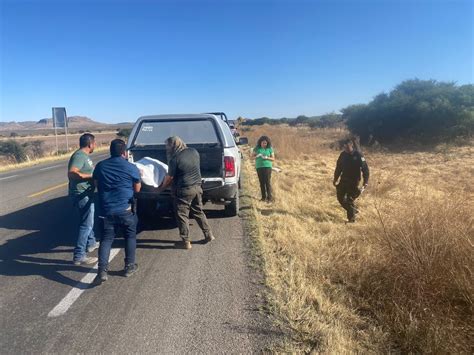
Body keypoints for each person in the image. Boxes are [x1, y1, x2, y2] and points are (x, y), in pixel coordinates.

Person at [92, 139, 141, 284]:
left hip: (107, 211)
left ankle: (102, 271)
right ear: (124, 152)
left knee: (106, 239)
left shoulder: (101, 166)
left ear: (110, 151)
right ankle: (129, 266)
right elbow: (137, 189)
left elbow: (96, 184)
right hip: (126, 210)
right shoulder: (130, 167)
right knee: (130, 237)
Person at [159, 136, 215, 250]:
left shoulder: (175, 159)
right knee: (198, 212)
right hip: (197, 188)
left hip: (184, 190)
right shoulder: (194, 151)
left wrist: (160, 188)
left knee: (182, 215)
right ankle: (209, 235)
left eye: (167, 146)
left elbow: (169, 177)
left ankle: (186, 242)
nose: (166, 148)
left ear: (173, 145)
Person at [68, 133, 98, 265]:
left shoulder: (85, 156)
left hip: (85, 193)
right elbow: (72, 173)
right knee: (86, 224)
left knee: (87, 220)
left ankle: (91, 243)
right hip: (81, 194)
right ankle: (79, 255)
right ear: (90, 144)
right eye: (94, 143)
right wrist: (90, 176)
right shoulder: (79, 156)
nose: (95, 145)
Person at [333, 138, 369, 223]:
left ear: (351, 145)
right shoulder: (342, 155)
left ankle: (351, 220)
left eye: (347, 147)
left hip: (354, 182)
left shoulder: (359, 155)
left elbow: (365, 169)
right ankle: (353, 210)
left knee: (349, 200)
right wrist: (335, 179)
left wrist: (365, 182)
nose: (346, 149)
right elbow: (338, 168)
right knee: (340, 198)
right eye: (344, 147)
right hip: (344, 180)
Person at [252, 135, 275, 202]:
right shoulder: (257, 148)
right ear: (260, 142)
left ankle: (269, 197)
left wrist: (267, 158)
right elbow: (251, 157)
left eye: (265, 143)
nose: (264, 144)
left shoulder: (270, 148)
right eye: (263, 143)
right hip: (259, 167)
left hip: (267, 166)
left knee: (267, 182)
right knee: (261, 182)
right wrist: (257, 156)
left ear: (267, 143)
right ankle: (263, 197)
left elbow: (273, 158)